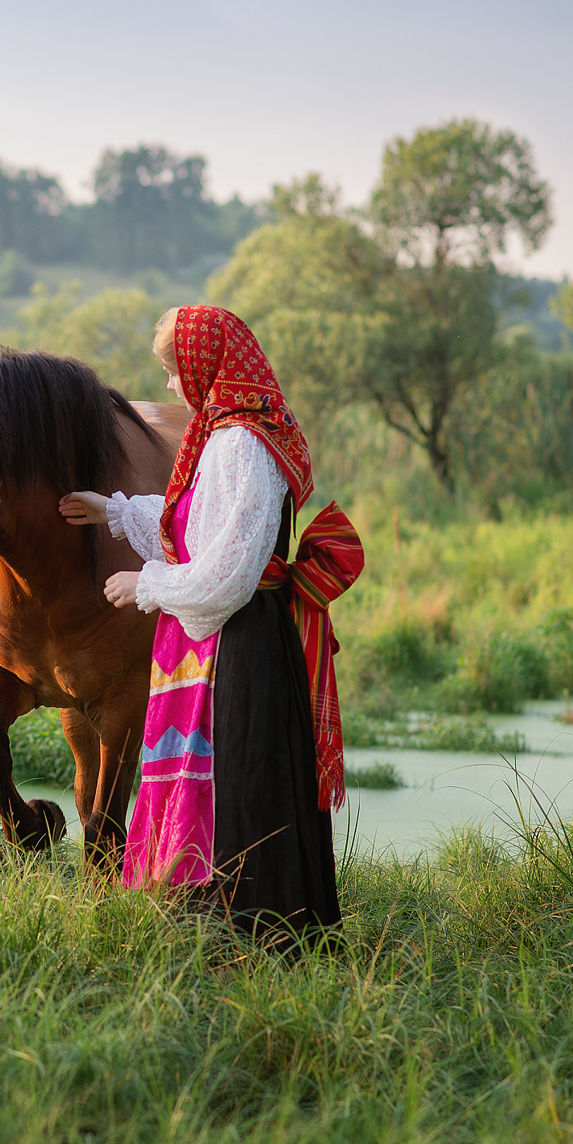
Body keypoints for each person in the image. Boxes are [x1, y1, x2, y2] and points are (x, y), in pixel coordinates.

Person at [59, 305, 362, 945]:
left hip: (241, 639)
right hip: (232, 632)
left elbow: (231, 567)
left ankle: (252, 929)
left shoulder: (240, 444)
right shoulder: (229, 432)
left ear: (205, 366)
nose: (170, 387)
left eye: (173, 371)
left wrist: (149, 584)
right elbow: (200, 522)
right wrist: (114, 513)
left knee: (242, 773)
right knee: (234, 770)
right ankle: (232, 920)